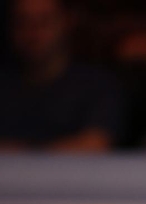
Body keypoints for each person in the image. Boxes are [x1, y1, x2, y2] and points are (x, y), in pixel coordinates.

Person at [0, 0, 124, 152]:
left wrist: (22, 152)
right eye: (22, 21)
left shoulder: (97, 86)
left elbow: (95, 144)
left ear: (67, 21)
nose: (33, 32)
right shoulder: (5, 86)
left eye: (45, 21)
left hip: (76, 175)